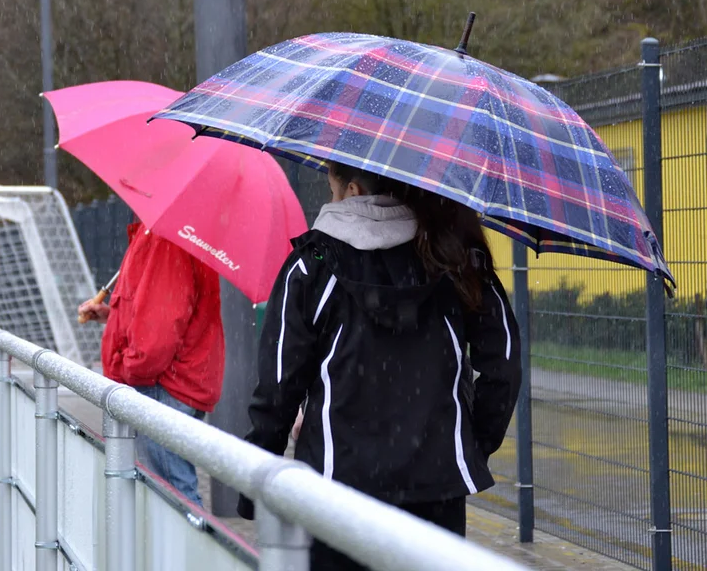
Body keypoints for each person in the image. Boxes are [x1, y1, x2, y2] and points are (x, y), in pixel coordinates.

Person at [238, 162, 521, 569]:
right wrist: (469, 445)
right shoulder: (455, 259)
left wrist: (254, 486)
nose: (330, 200)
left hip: (335, 487)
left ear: (352, 190)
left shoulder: (311, 264)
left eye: (332, 190)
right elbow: (505, 366)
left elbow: (277, 389)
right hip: (436, 489)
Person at [78, 218, 225, 508]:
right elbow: (160, 313)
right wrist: (113, 317)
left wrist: (124, 366)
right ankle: (179, 551)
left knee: (170, 498)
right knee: (167, 492)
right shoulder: (173, 233)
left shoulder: (167, 238)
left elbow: (157, 336)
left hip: (163, 385)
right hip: (174, 380)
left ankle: (185, 553)